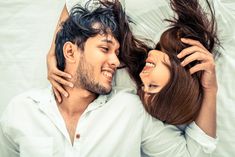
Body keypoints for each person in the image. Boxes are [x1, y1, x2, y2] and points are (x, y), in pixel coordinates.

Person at [0, 1, 216, 156]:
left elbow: (194, 154)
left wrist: (210, 89)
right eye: (105, 48)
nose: (115, 61)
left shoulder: (131, 109)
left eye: (117, 53)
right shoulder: (20, 110)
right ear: (71, 52)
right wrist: (53, 50)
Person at [137, 0, 220, 126]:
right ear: (178, 84)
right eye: (152, 86)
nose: (142, 76)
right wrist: (210, 88)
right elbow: (201, 145)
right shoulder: (214, 20)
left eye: (143, 85)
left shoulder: (134, 41)